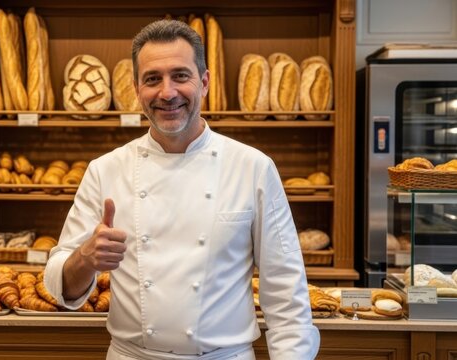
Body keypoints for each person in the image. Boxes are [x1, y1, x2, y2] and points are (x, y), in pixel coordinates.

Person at [44, 19, 320, 360]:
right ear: (136, 88)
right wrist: (86, 259)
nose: (167, 92)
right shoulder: (105, 170)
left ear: (203, 83)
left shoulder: (253, 167)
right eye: (152, 79)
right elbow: (60, 286)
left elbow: (286, 292)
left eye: (180, 75)